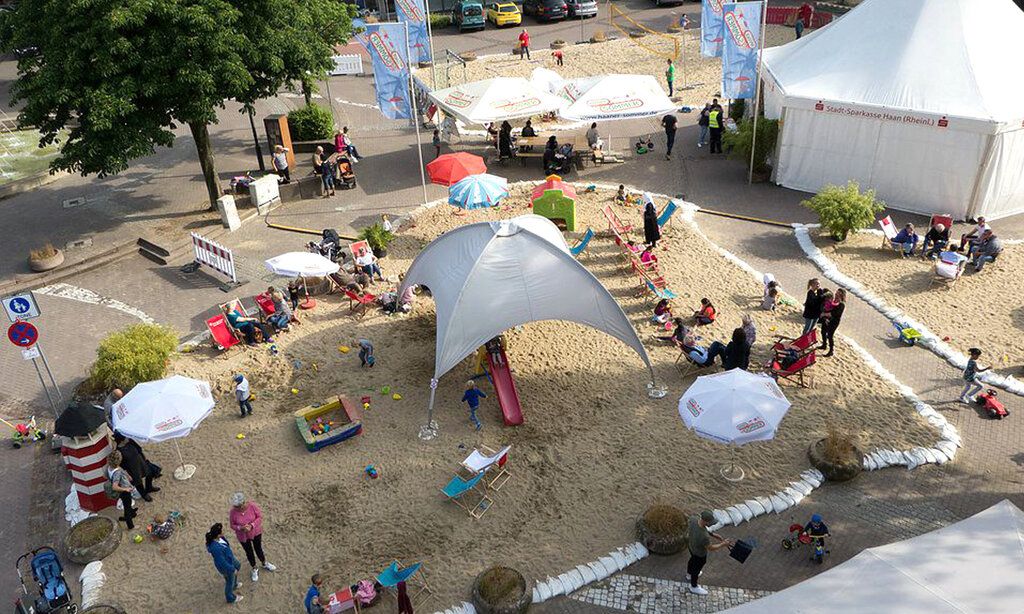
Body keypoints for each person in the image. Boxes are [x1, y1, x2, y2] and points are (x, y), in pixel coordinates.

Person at [229, 493, 277, 582]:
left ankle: (264, 563)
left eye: (238, 506)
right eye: (235, 506)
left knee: (258, 548)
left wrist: (252, 525)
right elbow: (232, 525)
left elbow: (259, 517)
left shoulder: (252, 506)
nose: (236, 508)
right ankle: (254, 568)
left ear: (243, 503)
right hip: (242, 535)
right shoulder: (233, 512)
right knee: (249, 552)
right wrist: (240, 528)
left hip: (255, 532)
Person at [686, 510, 735, 595]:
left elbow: (702, 529)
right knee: (696, 569)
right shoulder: (704, 537)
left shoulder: (693, 519)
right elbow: (711, 548)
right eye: (710, 522)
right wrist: (723, 544)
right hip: (699, 554)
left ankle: (688, 574)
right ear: (705, 521)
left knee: (692, 561)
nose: (712, 524)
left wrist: (713, 535)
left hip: (691, 546)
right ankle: (694, 587)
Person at [113, 432, 159, 501]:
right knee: (138, 482)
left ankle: (149, 487)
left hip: (140, 462)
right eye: (126, 437)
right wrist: (127, 475)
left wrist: (144, 458)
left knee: (150, 473)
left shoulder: (130, 442)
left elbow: (139, 449)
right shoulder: (118, 452)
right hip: (132, 469)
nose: (128, 438)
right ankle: (144, 494)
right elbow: (121, 465)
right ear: (122, 440)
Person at [205, 523, 243, 604]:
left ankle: (235, 585)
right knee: (229, 581)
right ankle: (230, 598)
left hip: (229, 558)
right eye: (221, 531)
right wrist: (232, 569)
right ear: (218, 535)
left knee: (238, 565)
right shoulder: (216, 548)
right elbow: (222, 563)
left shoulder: (219, 538)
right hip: (225, 565)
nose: (223, 532)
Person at [107, 450, 139, 530]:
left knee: (127, 504)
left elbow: (119, 469)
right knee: (127, 506)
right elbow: (114, 486)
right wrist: (126, 489)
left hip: (122, 490)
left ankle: (132, 513)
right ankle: (130, 525)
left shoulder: (110, 467)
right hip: (124, 491)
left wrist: (127, 475)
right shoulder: (117, 473)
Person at [819, 288, 845, 357]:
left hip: (834, 321)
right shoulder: (833, 300)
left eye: (839, 294)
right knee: (823, 331)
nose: (836, 294)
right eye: (836, 293)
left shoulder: (841, 304)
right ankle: (824, 345)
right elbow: (826, 307)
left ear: (842, 295)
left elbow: (834, 313)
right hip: (827, 319)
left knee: (830, 335)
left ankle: (831, 350)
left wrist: (824, 314)